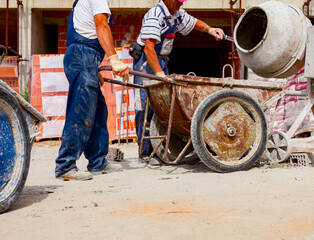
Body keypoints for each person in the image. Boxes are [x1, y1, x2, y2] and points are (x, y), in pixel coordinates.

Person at [132, 0, 224, 158]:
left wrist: (210, 30)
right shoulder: (156, 15)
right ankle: (146, 153)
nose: (180, 4)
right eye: (177, 1)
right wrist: (159, 74)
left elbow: (194, 23)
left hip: (162, 60)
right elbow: (148, 47)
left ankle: (158, 149)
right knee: (146, 107)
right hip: (147, 62)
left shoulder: (176, 14)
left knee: (162, 107)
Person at [55, 0, 129, 181]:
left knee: (98, 111)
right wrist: (114, 59)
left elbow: (86, 30)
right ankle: (65, 165)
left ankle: (97, 161)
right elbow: (101, 25)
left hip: (85, 57)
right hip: (83, 55)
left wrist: (93, 69)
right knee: (81, 112)